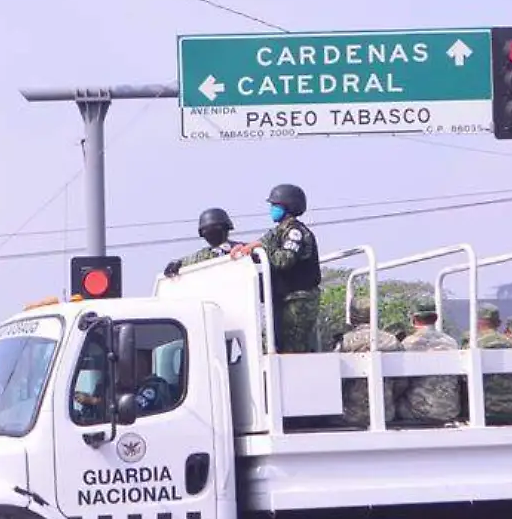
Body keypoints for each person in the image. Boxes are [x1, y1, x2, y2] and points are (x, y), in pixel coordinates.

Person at [232, 183, 320, 354]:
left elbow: (283, 260)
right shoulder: (279, 231)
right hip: (284, 300)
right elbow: (260, 244)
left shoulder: (295, 232)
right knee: (276, 345)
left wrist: (262, 248)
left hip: (299, 300)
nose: (272, 209)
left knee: (293, 350)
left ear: (288, 206)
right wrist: (244, 248)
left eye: (275, 206)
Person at [333, 295, 399, 429]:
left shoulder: (344, 342)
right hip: (387, 413)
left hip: (350, 414)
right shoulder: (392, 340)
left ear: (352, 316)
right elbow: (402, 382)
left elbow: (333, 380)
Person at [394, 299, 462, 426]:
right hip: (450, 411)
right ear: (436, 318)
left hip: (417, 413)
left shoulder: (407, 344)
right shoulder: (451, 342)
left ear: (414, 319)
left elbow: (400, 384)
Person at [472, 305, 512, 426]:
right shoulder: (511, 344)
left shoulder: (474, 344)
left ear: (477, 321)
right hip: (511, 410)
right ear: (499, 323)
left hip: (482, 411)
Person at [163, 208, 243, 277]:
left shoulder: (242, 249)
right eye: (208, 232)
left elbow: (253, 251)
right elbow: (183, 262)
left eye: (215, 230)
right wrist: (176, 264)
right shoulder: (202, 256)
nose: (212, 235)